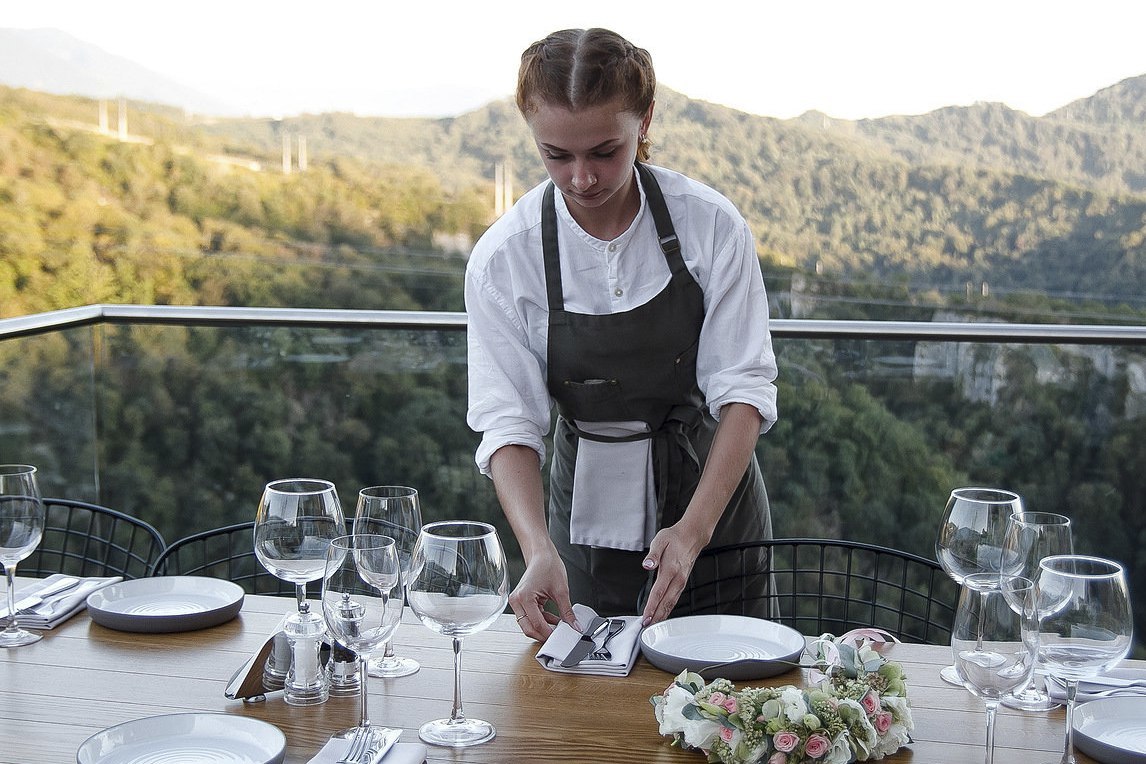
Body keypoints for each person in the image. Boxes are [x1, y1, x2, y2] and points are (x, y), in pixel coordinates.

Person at [465, 27, 778, 641]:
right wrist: (536, 549)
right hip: (580, 521)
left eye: (605, 151)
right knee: (591, 718)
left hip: (711, 506)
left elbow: (744, 391)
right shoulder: (506, 258)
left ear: (645, 120)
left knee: (733, 715)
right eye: (556, 155)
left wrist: (691, 533)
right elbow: (508, 423)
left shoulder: (709, 226)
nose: (581, 178)